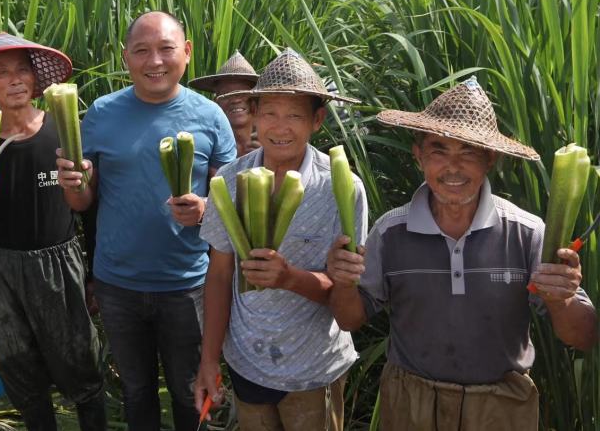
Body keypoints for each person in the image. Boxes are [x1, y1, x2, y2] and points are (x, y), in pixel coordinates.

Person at [327, 77, 598, 431]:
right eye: (439, 150)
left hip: (501, 409)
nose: (453, 167)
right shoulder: (391, 233)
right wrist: (342, 284)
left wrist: (561, 299)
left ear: (490, 159)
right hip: (411, 405)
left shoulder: (527, 234)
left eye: (468, 152)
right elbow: (350, 319)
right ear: (419, 155)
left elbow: (583, 336)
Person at [58, 11, 237, 431]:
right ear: (126, 58)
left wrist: (206, 211)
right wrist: (71, 183)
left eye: (166, 49)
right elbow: (83, 200)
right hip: (118, 283)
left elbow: (233, 205)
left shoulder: (211, 117)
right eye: (141, 51)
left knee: (187, 390)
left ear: (187, 53)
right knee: (136, 392)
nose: (154, 60)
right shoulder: (102, 113)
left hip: (187, 283)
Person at [195, 49, 366, 431]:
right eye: (269, 112)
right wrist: (210, 360)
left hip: (313, 367)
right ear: (253, 114)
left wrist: (290, 277)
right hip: (246, 359)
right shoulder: (231, 180)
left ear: (317, 120)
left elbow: (345, 290)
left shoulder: (340, 188)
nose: (280, 127)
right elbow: (220, 275)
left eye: (294, 115)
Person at [0, 32, 106, 431]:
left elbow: (90, 211)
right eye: (3, 73)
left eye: (23, 71)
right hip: (3, 269)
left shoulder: (64, 131)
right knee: (18, 366)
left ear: (36, 80)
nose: (15, 80)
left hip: (60, 262)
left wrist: (93, 275)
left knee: (80, 363)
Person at [188, 51, 260, 156]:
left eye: (242, 93)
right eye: (227, 94)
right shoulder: (205, 144)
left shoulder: (272, 140)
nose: (235, 100)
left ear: (256, 100)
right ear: (215, 102)